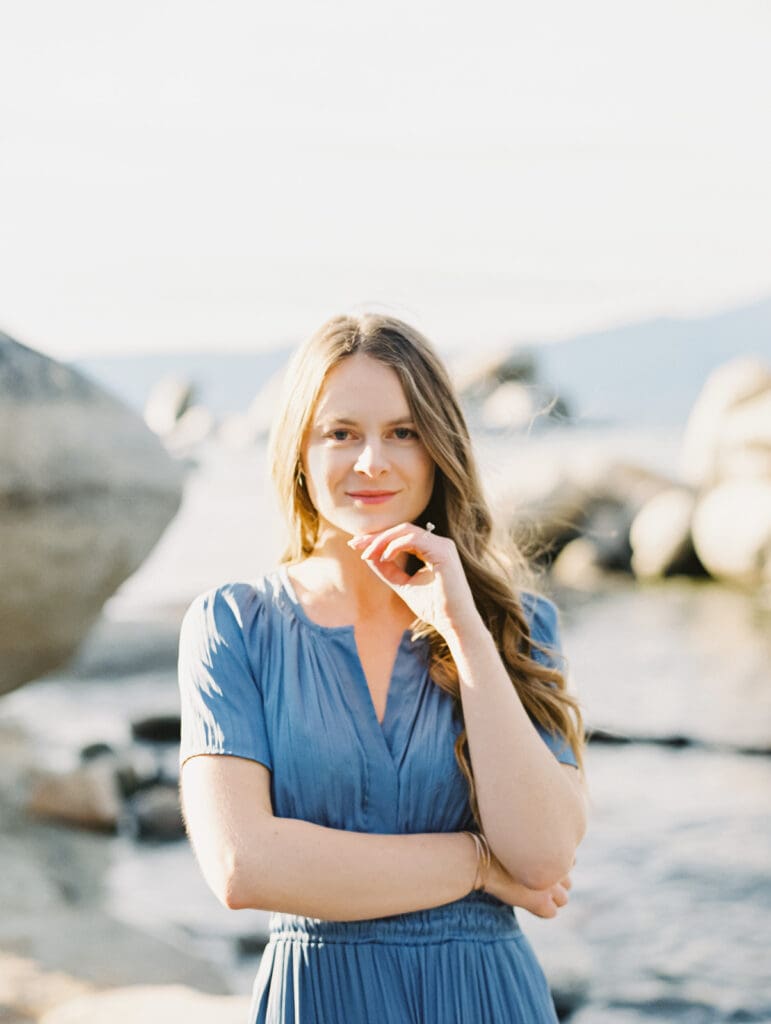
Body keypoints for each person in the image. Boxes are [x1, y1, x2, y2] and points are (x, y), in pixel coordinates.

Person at [178, 312, 588, 1023]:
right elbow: (244, 866)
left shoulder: (518, 626)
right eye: (340, 433)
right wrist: (479, 865)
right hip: (319, 999)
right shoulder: (235, 626)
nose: (372, 461)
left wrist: (461, 627)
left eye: (403, 432)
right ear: (300, 454)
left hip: (486, 1002)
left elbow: (543, 857)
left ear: (440, 449)